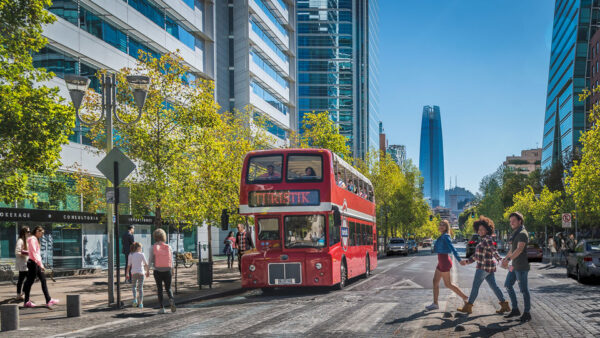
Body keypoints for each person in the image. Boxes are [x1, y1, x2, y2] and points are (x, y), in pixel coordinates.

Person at [458, 216, 510, 315]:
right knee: (494, 286)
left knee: (475, 287)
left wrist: (500, 259)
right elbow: (477, 256)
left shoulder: (487, 239)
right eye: (479, 229)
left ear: (487, 229)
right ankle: (504, 305)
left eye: (482, 229)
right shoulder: (483, 240)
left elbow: (494, 251)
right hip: (489, 268)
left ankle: (468, 307)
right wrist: (467, 262)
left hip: (483, 268)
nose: (480, 231)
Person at [425, 220, 468, 311]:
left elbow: (452, 248)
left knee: (448, 284)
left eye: (443, 225)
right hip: (441, 261)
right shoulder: (442, 236)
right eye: (440, 225)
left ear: (446, 227)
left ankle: (465, 298)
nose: (441, 227)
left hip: (444, 261)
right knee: (435, 282)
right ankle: (435, 303)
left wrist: (459, 260)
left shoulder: (446, 236)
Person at [501, 212, 531, 322]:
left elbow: (519, 249)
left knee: (523, 290)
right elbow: (512, 250)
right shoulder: (516, 233)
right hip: (514, 266)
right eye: (510, 221)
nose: (511, 223)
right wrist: (505, 259)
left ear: (520, 221)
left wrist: (508, 259)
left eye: (513, 221)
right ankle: (515, 309)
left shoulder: (522, 233)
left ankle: (527, 313)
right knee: (508, 285)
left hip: (521, 266)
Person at [22, 226, 59, 308]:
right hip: (33, 263)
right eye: (41, 233)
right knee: (30, 282)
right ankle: (26, 301)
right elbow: (34, 253)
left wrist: (39, 263)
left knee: (43, 280)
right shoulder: (32, 239)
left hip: (35, 263)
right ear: (37, 231)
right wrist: (40, 264)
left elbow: (35, 253)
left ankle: (48, 300)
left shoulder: (34, 239)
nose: (42, 235)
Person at [149, 229, 176, 314]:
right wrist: (173, 269)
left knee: (159, 289)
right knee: (168, 288)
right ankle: (171, 299)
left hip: (157, 270)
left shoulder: (152, 247)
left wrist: (147, 270)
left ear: (155, 237)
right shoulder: (168, 246)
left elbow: (150, 259)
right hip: (167, 269)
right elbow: (172, 259)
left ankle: (162, 308)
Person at [126, 242, 149, 308]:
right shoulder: (142, 254)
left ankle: (135, 300)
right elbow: (146, 264)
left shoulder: (130, 255)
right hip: (141, 273)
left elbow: (128, 265)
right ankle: (141, 303)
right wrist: (147, 272)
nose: (141, 248)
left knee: (134, 287)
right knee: (140, 288)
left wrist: (127, 273)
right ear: (138, 248)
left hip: (133, 273)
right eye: (141, 247)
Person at [15, 226, 30, 300]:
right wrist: (26, 253)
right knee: (24, 279)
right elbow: (17, 251)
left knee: (23, 279)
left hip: (25, 263)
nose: (29, 233)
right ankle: (20, 294)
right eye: (28, 232)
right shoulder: (20, 240)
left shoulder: (26, 240)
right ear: (24, 232)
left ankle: (20, 294)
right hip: (22, 263)